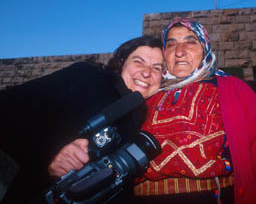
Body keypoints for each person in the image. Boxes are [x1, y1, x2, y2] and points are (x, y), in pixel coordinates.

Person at [133, 18, 256, 204]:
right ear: (164, 54)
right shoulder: (148, 95)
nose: (179, 52)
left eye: (190, 41)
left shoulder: (233, 89)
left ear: (205, 48)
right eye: (171, 44)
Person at [0, 35, 163, 203]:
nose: (146, 72)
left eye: (156, 68)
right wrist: (49, 156)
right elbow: (7, 108)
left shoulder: (149, 117)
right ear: (122, 62)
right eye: (138, 61)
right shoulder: (87, 78)